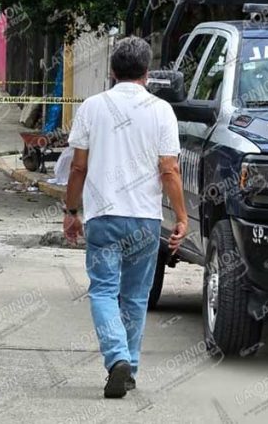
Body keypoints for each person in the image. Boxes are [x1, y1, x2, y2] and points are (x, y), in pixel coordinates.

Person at [64, 36, 188, 399]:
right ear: (147, 73)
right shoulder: (162, 110)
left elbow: (78, 166)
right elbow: (169, 170)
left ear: (111, 71)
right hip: (145, 220)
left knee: (103, 290)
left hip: (103, 216)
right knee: (134, 296)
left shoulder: (92, 107)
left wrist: (71, 211)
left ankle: (116, 357)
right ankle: (128, 367)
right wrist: (181, 216)